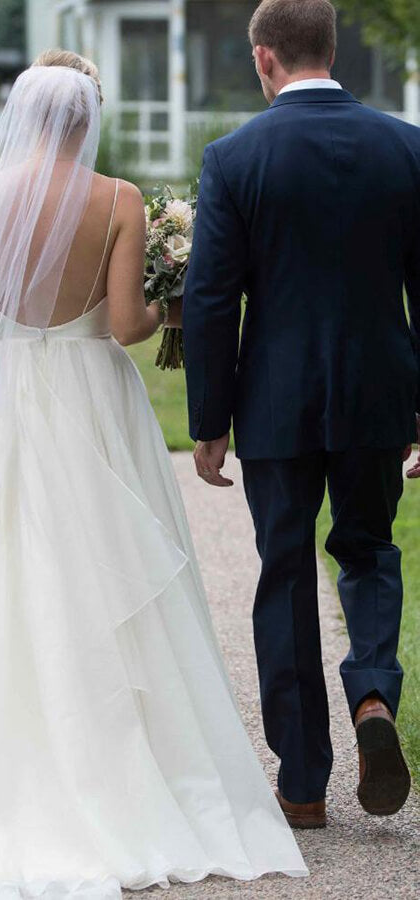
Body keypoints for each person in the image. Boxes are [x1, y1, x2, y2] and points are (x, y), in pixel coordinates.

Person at [0, 51, 308, 900]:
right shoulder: (119, 200)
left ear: (24, 118)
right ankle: (122, 758)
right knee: (107, 566)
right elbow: (125, 325)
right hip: (91, 395)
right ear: (88, 121)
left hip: (10, 395)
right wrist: (179, 286)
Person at [183, 0, 419, 831]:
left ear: (262, 59)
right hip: (378, 396)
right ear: (331, 47)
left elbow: (209, 299)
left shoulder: (235, 156)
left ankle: (303, 784)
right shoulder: (407, 147)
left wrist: (210, 418)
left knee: (284, 574)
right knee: (368, 551)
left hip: (277, 403)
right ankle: (374, 701)